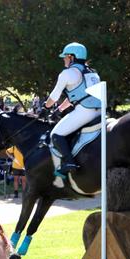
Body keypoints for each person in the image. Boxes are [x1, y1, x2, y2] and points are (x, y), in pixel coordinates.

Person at [43, 42, 101, 175]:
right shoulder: (92, 73)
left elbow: (54, 97)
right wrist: (60, 110)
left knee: (56, 135)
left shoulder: (67, 73)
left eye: (65, 57)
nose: (64, 59)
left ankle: (69, 162)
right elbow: (76, 96)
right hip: (99, 111)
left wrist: (45, 107)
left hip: (85, 112)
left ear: (71, 57)